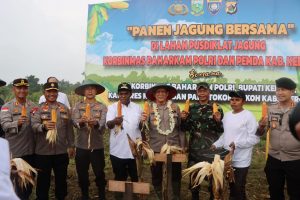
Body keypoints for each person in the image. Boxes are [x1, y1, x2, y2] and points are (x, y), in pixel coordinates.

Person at [257, 77, 300, 200]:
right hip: (274, 159)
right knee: (275, 191)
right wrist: (261, 127)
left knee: (296, 193)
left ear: (292, 92)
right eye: (278, 89)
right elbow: (260, 134)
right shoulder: (271, 109)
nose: (279, 93)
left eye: (283, 90)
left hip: (295, 159)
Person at [211, 90, 259, 200]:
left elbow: (255, 138)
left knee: (238, 187)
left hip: (242, 159)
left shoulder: (248, 116)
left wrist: (237, 143)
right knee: (232, 187)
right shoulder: (227, 116)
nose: (233, 102)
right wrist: (216, 144)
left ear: (243, 102)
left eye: (237, 100)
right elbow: (225, 135)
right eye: (232, 100)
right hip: (228, 158)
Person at [140, 84, 185, 200]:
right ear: (154, 95)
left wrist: (183, 146)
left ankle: (175, 196)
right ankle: (159, 195)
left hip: (174, 147)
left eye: (163, 92)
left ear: (167, 94)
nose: (160, 94)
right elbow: (142, 129)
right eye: (158, 92)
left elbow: (181, 128)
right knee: (156, 175)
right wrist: (142, 122)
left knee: (175, 175)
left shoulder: (175, 107)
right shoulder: (148, 109)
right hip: (156, 148)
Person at [31, 82, 75, 200]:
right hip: (43, 153)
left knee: (61, 181)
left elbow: (69, 128)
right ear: (44, 93)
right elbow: (33, 126)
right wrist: (43, 127)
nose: (51, 94)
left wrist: (71, 145)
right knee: (43, 183)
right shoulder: (38, 109)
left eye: (54, 91)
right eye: (48, 91)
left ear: (57, 93)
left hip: (61, 151)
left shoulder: (64, 108)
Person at [180, 82, 223, 200]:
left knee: (212, 181)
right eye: (200, 91)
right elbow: (184, 129)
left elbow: (221, 130)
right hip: (195, 151)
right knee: (194, 181)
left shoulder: (217, 108)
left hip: (211, 150)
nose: (202, 93)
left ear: (209, 92)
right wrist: (183, 120)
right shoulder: (191, 108)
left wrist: (218, 121)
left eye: (204, 91)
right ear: (197, 92)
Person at [0, 78, 36, 200]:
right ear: (13, 89)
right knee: (16, 186)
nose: (22, 90)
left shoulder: (34, 106)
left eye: (24, 88)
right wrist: (17, 123)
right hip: (16, 154)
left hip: (32, 151)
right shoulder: (7, 107)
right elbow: (5, 126)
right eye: (19, 88)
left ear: (27, 90)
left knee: (28, 185)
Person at [106, 82, 142, 199]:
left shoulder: (137, 107)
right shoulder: (112, 107)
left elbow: (141, 127)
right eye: (121, 93)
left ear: (130, 94)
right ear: (118, 94)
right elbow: (109, 125)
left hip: (135, 151)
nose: (123, 96)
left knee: (136, 177)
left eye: (126, 93)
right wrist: (114, 121)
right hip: (118, 151)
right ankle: (119, 197)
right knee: (119, 178)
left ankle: (135, 196)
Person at [72, 80, 107, 200]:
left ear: (96, 91)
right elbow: (75, 123)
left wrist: (96, 124)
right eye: (87, 89)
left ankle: (102, 194)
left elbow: (102, 125)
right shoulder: (77, 106)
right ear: (83, 92)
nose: (90, 91)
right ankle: (85, 194)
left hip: (96, 146)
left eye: (92, 89)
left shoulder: (102, 107)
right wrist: (81, 122)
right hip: (81, 146)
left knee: (99, 173)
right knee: (82, 173)